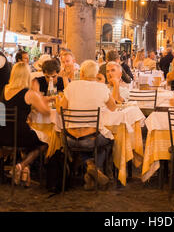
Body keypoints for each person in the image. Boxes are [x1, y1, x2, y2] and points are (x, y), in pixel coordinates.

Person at [59, 59, 116, 190]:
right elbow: (113, 107)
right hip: (91, 139)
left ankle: (91, 175)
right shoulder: (102, 87)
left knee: (91, 141)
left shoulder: (72, 86)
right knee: (108, 141)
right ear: (96, 74)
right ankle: (95, 168)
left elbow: (60, 108)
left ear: (82, 73)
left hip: (69, 139)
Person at [0, 62, 51, 186]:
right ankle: (21, 165)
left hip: (2, 135)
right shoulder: (29, 94)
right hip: (20, 135)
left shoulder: (4, 90)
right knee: (45, 142)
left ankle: (23, 171)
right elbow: (46, 111)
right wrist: (42, 97)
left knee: (31, 137)